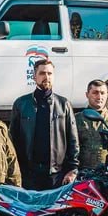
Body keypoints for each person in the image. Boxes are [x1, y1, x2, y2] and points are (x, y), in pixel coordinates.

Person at [9, 59, 79, 190]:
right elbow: (13, 140)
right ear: (34, 76)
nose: (46, 77)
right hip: (28, 175)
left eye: (50, 73)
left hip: (57, 175)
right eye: (42, 73)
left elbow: (73, 140)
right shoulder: (21, 104)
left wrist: (73, 169)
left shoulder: (64, 104)